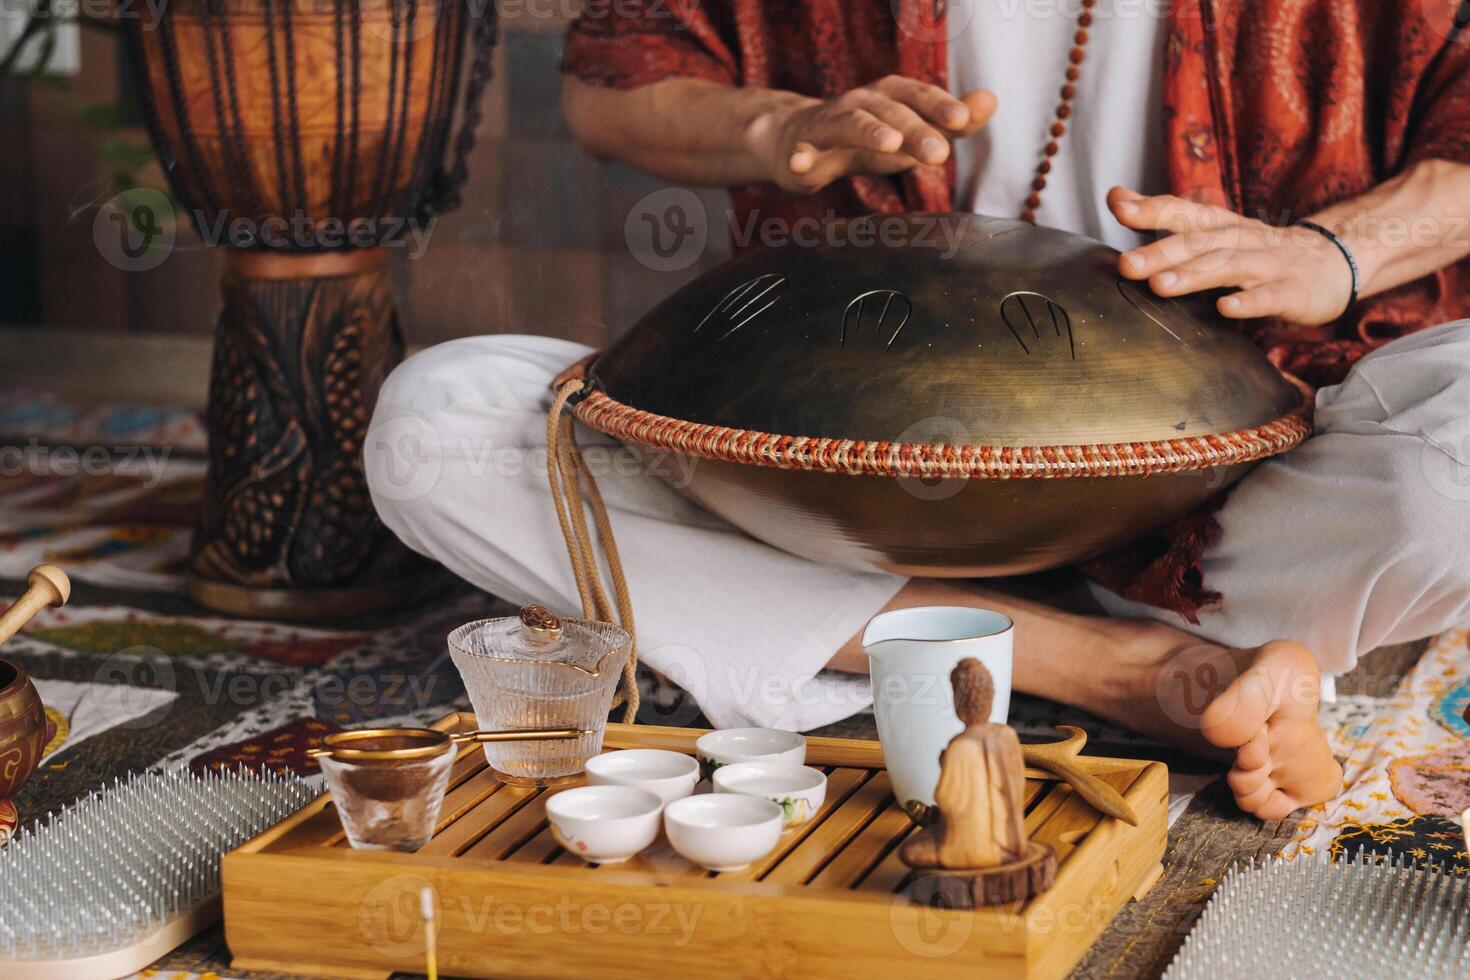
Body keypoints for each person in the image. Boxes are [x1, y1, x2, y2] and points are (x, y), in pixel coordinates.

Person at [365, 1, 1470, 820]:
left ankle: (1163, 622)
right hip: (840, 480)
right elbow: (612, 79)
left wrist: (1340, 249)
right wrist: (775, 129)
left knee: (1445, 473)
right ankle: (1125, 668)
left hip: (1251, 477)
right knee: (436, 424)